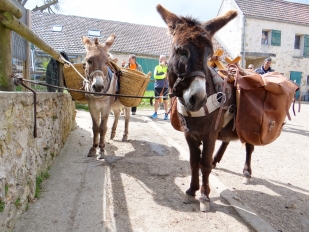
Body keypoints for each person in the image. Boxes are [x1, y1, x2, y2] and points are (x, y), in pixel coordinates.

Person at [151, 55, 169, 120]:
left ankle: (166, 114)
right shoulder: (157, 67)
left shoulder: (168, 67)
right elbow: (155, 76)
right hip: (157, 86)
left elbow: (169, 76)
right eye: (160, 59)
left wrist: (165, 68)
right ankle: (155, 113)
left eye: (163, 59)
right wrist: (164, 75)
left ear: (165, 60)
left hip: (165, 86)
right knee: (156, 100)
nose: (161, 60)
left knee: (165, 101)